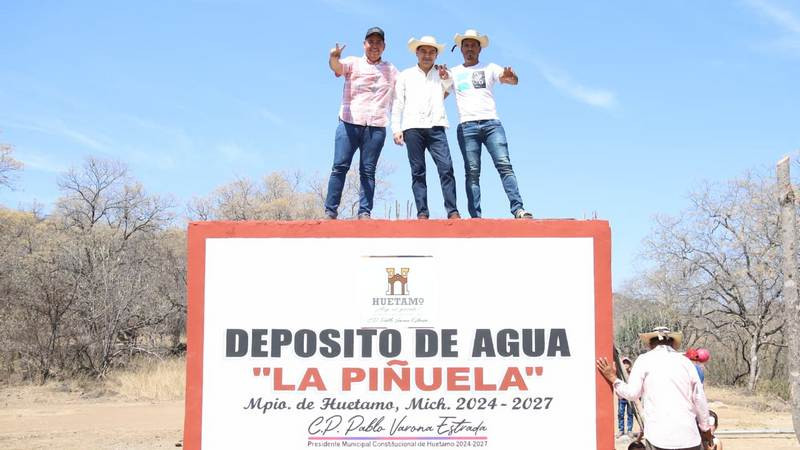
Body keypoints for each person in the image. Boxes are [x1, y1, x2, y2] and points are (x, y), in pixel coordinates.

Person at [448, 29, 533, 219]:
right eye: (466, 45)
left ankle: (518, 209)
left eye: (473, 45)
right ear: (461, 49)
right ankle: (475, 217)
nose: (470, 48)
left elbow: (512, 80)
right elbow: (441, 94)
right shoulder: (454, 72)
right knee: (472, 172)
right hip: (466, 126)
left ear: (480, 49)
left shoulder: (490, 67)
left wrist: (511, 75)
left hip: (491, 124)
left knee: (504, 165)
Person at [597, 327, 713, 450]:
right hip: (688, 437)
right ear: (673, 343)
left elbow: (632, 393)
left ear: (650, 344)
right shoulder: (686, 363)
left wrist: (613, 378)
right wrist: (705, 428)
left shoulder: (644, 360)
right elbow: (699, 399)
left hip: (659, 438)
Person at [324, 26, 399, 220]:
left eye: (378, 43)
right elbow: (337, 68)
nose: (374, 46)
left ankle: (364, 212)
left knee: (368, 171)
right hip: (349, 123)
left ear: (384, 46)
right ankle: (330, 211)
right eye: (370, 42)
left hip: (376, 127)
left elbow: (404, 92)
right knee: (340, 166)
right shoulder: (353, 62)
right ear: (364, 44)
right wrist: (334, 57)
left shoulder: (391, 70)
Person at [391, 36, 460, 219]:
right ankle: (422, 211)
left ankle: (452, 210)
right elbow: (398, 102)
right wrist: (396, 129)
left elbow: (450, 88)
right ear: (417, 53)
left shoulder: (442, 72)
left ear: (436, 55)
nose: (427, 55)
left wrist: (445, 77)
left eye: (431, 52)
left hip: (436, 126)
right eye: (423, 51)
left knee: (446, 167)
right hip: (412, 127)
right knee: (418, 171)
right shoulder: (405, 75)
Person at [617, 357, 635, 438]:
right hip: (622, 397)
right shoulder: (619, 375)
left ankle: (629, 430)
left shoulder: (632, 374)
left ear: (630, 364)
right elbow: (616, 384)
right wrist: (618, 393)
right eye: (624, 363)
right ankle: (621, 430)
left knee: (630, 414)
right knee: (620, 414)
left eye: (627, 363)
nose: (625, 365)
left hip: (630, 397)